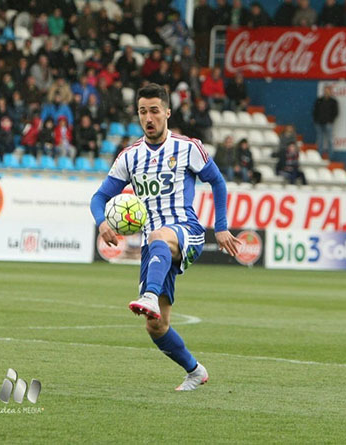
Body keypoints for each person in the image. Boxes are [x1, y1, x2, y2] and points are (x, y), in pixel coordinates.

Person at [90, 84, 241, 391]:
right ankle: (195, 371)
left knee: (160, 235)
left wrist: (221, 225)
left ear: (168, 112)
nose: (149, 117)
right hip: (154, 246)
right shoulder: (129, 157)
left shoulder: (188, 147)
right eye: (143, 111)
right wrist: (101, 221)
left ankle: (149, 296)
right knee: (156, 325)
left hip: (186, 231)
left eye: (155, 111)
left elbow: (218, 182)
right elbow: (99, 197)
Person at [312, 85, 338, 159]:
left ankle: (330, 157)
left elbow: (335, 112)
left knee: (330, 140)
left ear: (330, 92)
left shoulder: (333, 102)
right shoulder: (319, 100)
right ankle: (319, 156)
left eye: (328, 91)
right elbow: (315, 111)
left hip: (328, 123)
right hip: (319, 123)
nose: (326, 92)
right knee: (320, 140)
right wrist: (316, 120)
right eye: (325, 91)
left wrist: (330, 120)